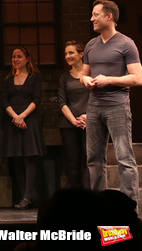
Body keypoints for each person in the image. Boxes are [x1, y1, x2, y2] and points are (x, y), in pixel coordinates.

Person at [80, 0, 142, 203]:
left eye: (95, 14)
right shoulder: (91, 45)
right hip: (94, 106)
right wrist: (86, 80)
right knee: (94, 160)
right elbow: (83, 74)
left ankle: (128, 207)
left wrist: (109, 80)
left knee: (124, 158)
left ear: (109, 17)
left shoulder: (126, 44)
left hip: (117, 104)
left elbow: (137, 78)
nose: (92, 19)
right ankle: (99, 205)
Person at [1, 46, 46, 209]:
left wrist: (22, 116)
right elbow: (4, 101)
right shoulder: (8, 80)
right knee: (17, 159)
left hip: (29, 121)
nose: (15, 59)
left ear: (27, 59)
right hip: (13, 122)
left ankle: (27, 197)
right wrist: (15, 116)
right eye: (13, 57)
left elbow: (37, 99)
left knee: (29, 158)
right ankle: (22, 197)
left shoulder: (35, 78)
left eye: (19, 56)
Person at [58, 40, 90, 189]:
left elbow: (97, 98)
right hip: (69, 125)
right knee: (72, 161)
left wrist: (87, 117)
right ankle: (76, 195)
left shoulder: (91, 73)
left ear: (81, 54)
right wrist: (74, 121)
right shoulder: (64, 77)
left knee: (88, 159)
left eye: (71, 52)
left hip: (89, 123)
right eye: (66, 53)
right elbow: (62, 102)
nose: (67, 56)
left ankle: (89, 194)